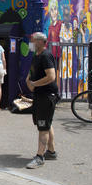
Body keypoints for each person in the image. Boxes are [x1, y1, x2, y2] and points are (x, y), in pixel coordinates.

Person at [26, 32, 58, 169]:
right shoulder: (36, 56)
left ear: (40, 41)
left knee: (43, 126)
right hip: (39, 95)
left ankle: (40, 157)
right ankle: (51, 151)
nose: (30, 43)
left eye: (32, 40)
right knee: (46, 123)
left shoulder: (46, 56)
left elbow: (51, 76)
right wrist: (29, 81)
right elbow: (31, 74)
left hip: (46, 95)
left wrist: (34, 84)